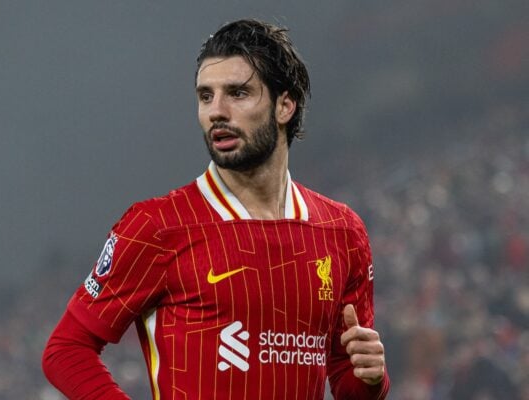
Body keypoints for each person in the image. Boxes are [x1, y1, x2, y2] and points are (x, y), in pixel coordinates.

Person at [42, 18, 389, 399]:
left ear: (284, 105)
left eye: (237, 93)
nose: (216, 111)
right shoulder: (158, 227)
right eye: (206, 96)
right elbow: (66, 349)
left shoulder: (341, 231)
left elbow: (349, 382)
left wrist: (372, 380)